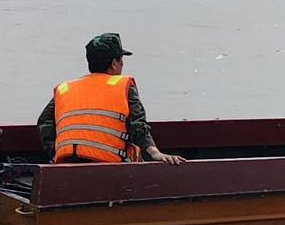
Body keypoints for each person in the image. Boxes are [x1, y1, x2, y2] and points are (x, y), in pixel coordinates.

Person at [38, 33, 184, 164]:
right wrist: (155, 152)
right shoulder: (122, 86)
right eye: (121, 60)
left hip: (67, 163)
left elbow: (44, 122)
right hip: (109, 166)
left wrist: (55, 154)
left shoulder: (66, 89)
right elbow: (137, 125)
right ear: (114, 64)